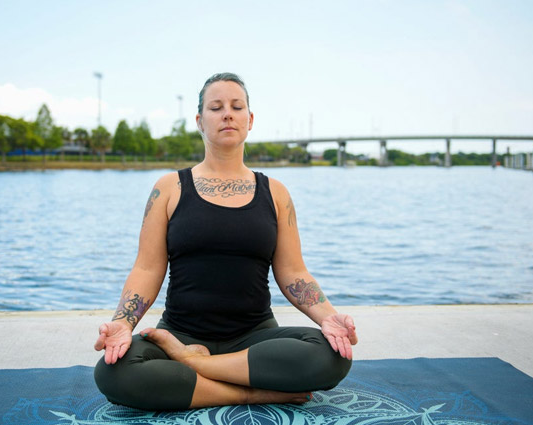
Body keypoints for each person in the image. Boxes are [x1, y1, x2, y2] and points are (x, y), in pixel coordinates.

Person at [93, 72, 358, 410]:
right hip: (180, 335)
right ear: (200, 121)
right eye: (216, 107)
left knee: (332, 356)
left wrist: (328, 318)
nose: (227, 114)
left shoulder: (276, 193)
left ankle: (195, 367)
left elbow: (293, 272)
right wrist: (122, 323)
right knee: (113, 373)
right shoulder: (169, 189)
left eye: (237, 106)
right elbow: (147, 268)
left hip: (254, 339)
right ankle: (249, 392)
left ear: (250, 120)